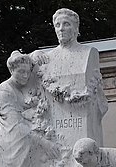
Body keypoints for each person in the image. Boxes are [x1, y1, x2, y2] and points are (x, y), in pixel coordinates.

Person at [32, 8, 108, 145]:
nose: (61, 29)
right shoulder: (46, 58)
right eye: (57, 25)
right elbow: (21, 73)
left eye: (66, 24)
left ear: (76, 28)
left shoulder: (89, 53)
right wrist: (33, 55)